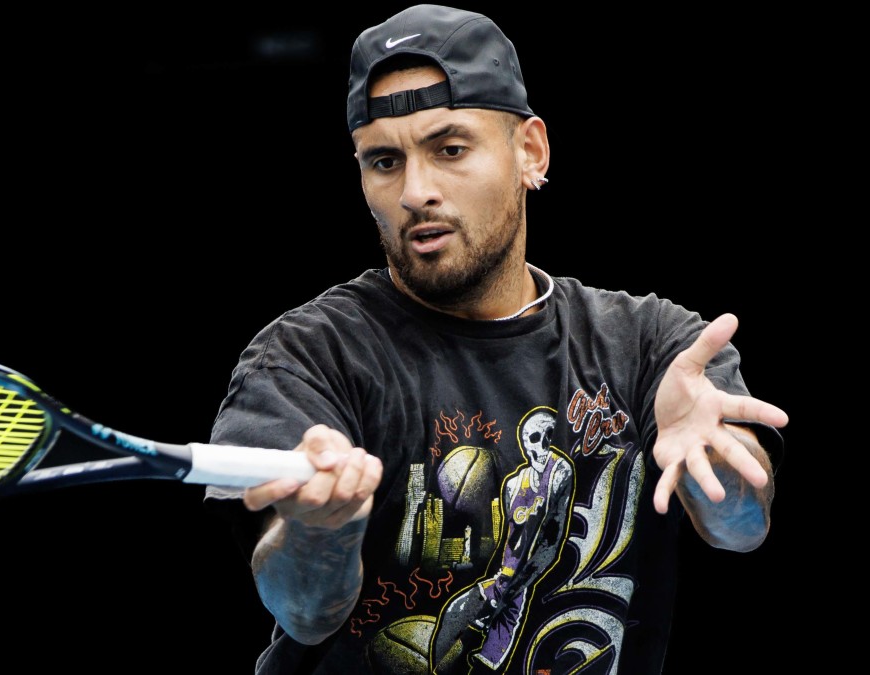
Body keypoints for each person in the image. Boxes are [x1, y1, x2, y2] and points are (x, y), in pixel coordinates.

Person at [202, 4, 786, 674]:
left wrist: (718, 468)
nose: (417, 190)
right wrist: (322, 526)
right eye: (385, 161)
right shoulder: (308, 356)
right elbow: (303, 611)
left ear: (531, 152)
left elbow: (740, 531)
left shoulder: (653, 344)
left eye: (450, 149)